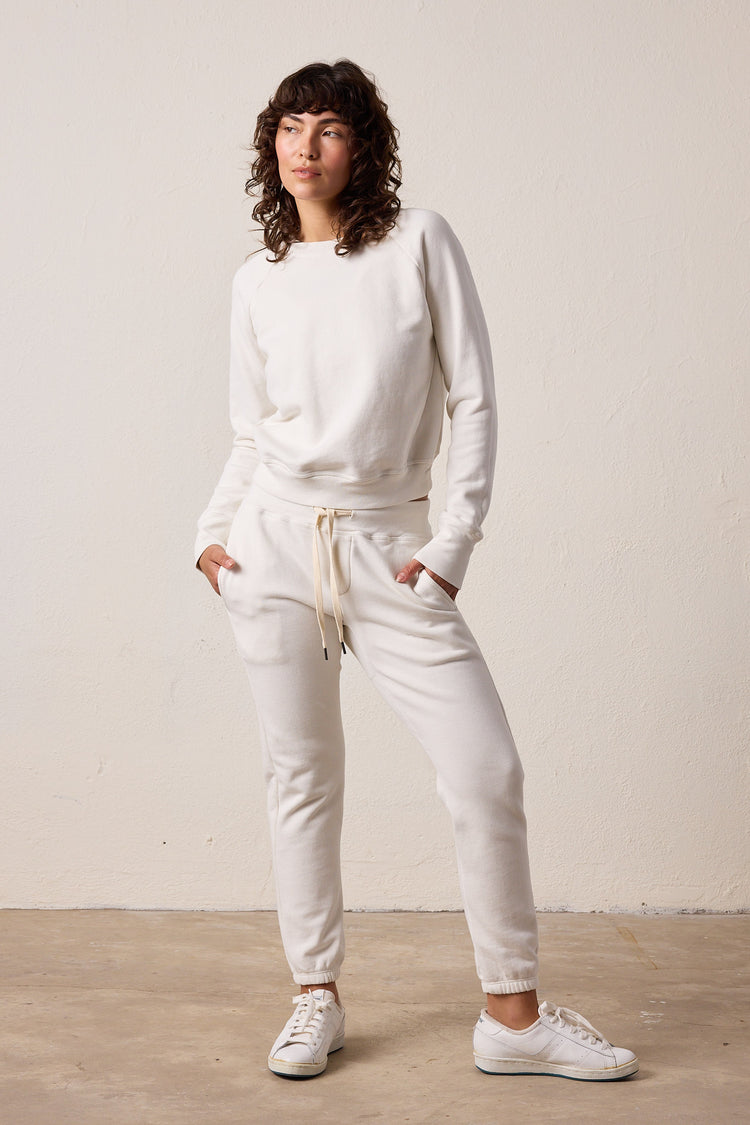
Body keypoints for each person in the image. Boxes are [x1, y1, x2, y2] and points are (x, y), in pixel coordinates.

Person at [195, 58, 638, 1083]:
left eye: (329, 129)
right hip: (272, 546)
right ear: (271, 145)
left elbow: (473, 396)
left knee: (486, 769)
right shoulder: (257, 281)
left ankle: (513, 1017)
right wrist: (213, 536)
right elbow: (250, 432)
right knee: (301, 776)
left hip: (391, 548)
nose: (306, 147)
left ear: (363, 147)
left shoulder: (418, 243)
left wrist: (451, 545)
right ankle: (315, 995)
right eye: (290, 128)